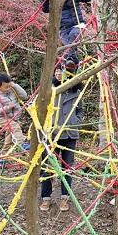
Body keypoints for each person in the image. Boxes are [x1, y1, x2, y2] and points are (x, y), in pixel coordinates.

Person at [40, 63, 83, 212]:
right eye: (57, 71)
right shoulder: (49, 90)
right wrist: (47, 126)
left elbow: (80, 111)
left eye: (62, 72)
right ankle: (46, 198)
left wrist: (75, 122)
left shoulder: (75, 91)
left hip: (70, 134)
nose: (59, 74)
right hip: (52, 135)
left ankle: (64, 198)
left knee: (67, 168)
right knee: (48, 167)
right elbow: (41, 110)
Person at [41, 0, 95, 64]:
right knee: (68, 46)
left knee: (73, 38)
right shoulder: (55, 1)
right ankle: (73, 63)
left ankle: (71, 61)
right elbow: (45, 9)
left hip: (77, 25)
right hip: (63, 29)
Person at [0, 72, 30, 155]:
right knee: (16, 128)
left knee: (9, 139)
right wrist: (8, 108)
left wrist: (14, 86)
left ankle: (2, 156)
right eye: (6, 87)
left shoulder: (13, 90)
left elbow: (24, 96)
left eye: (9, 86)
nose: (8, 88)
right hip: (3, 119)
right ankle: (23, 143)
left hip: (15, 118)